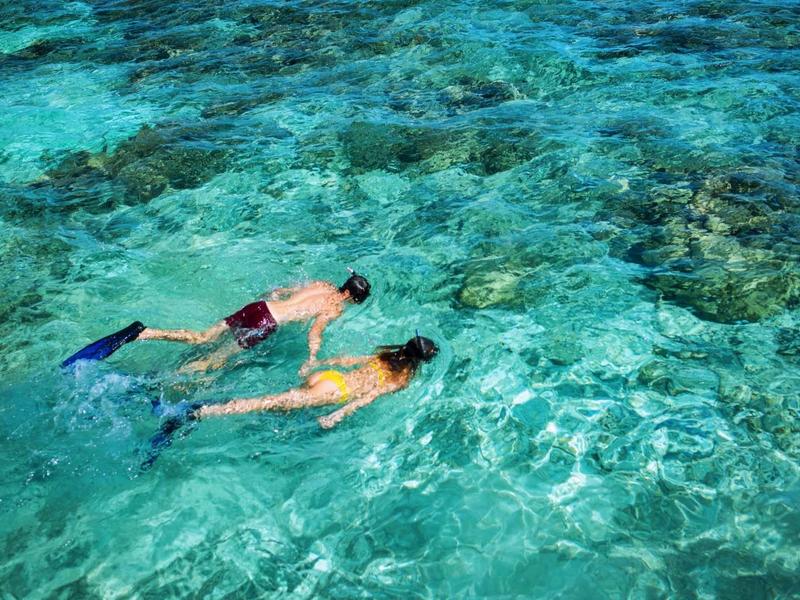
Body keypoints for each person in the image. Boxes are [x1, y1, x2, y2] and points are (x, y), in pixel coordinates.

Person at [62, 270, 371, 372]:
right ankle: (163, 380)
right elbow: (316, 331)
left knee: (202, 337)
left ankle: (143, 333)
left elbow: (282, 290)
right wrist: (313, 356)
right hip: (267, 325)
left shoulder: (321, 284)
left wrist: (275, 294)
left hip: (259, 307)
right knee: (216, 362)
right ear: (353, 298)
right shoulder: (335, 306)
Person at [196, 334, 438, 428]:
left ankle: (214, 407)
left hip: (329, 377)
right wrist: (336, 415)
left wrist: (316, 364)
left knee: (279, 405)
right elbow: (368, 396)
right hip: (335, 391)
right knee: (265, 402)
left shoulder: (384, 355)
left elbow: (346, 360)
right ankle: (203, 412)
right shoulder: (401, 379)